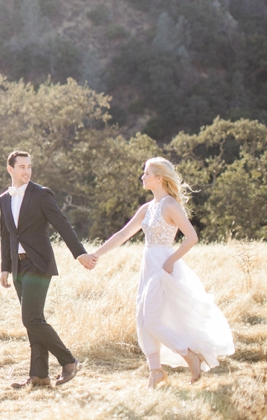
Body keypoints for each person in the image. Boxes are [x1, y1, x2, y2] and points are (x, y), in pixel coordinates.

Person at [89, 157, 234, 388]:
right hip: (148, 264)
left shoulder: (170, 205)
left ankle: (189, 355)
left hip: (164, 265)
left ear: (159, 178)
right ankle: (155, 371)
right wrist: (96, 254)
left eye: (146, 173)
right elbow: (122, 235)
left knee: (152, 318)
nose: (142, 177)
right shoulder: (147, 208)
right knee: (143, 318)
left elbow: (192, 237)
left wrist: (171, 260)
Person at [0, 150, 96, 388]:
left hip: (39, 264)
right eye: (22, 167)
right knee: (34, 320)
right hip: (18, 266)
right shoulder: (4, 198)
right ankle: (40, 376)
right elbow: (6, 235)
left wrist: (80, 253)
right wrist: (5, 267)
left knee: (31, 318)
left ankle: (69, 361)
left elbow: (62, 224)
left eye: (29, 166)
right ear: (10, 169)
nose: (27, 171)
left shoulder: (41, 194)